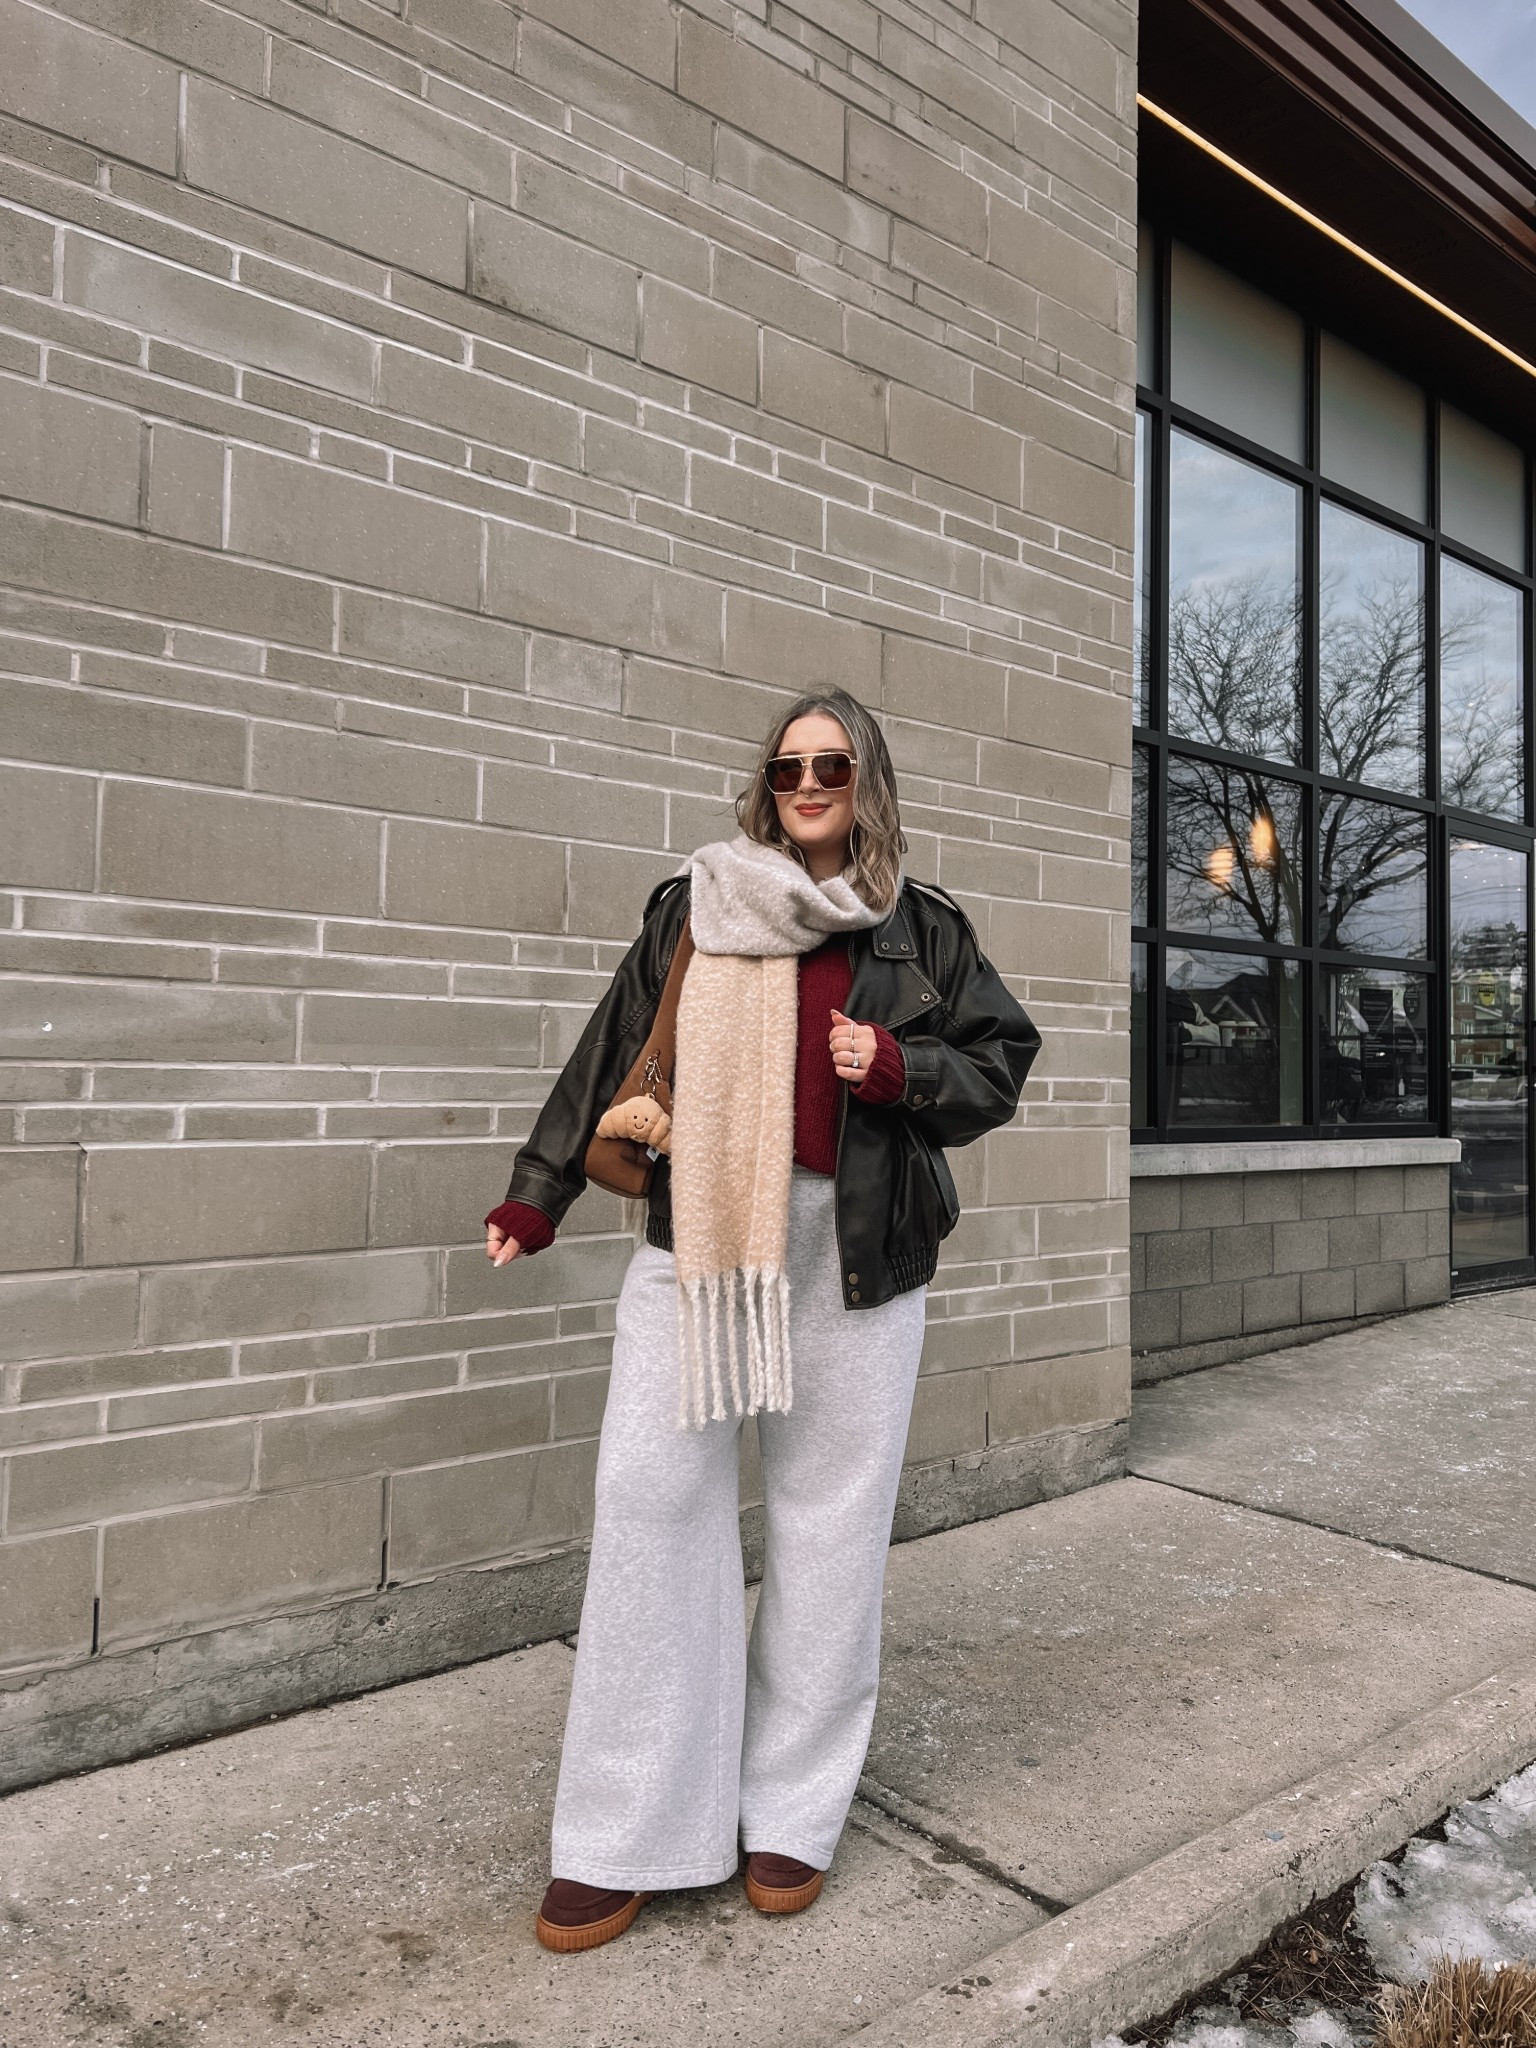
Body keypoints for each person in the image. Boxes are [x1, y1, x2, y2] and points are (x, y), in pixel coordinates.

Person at [484, 686, 1040, 1953]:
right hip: (705, 1242)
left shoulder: (920, 927)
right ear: (765, 781)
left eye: (832, 762)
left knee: (829, 1526)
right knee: (648, 1500)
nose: (807, 780)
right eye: (789, 763)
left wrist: (898, 1068)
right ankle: (626, 1826)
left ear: (867, 780)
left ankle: (792, 1805)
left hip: (857, 1248)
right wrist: (539, 1191)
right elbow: (613, 1044)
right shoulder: (702, 898)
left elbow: (1001, 1064)